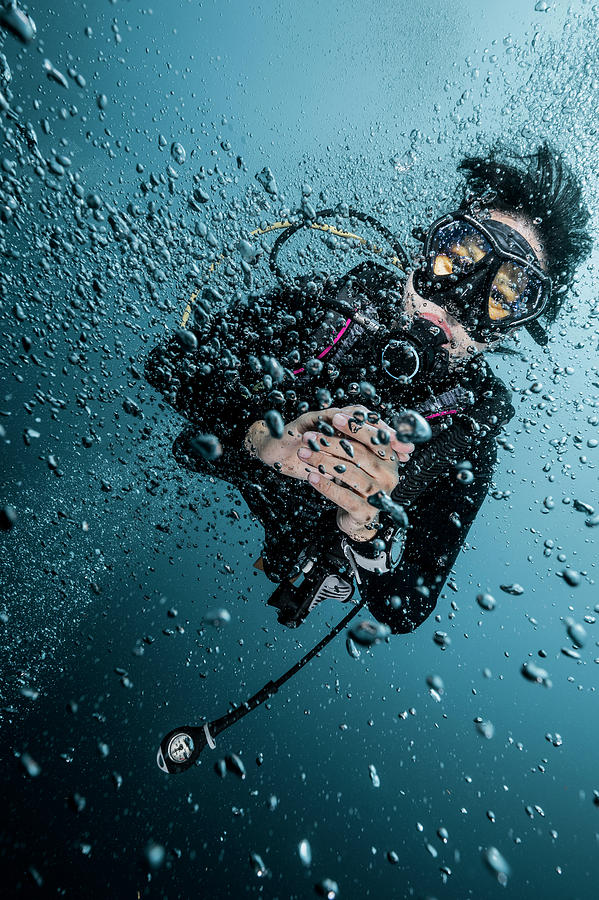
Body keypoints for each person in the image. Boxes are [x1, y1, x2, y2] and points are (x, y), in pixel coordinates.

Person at [145, 142, 591, 631]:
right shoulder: (327, 304)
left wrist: (364, 533)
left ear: (507, 329)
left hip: (311, 538)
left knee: (299, 553)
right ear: (429, 247)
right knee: (199, 447)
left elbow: (404, 609)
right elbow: (170, 362)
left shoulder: (468, 435)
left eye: (502, 296)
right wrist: (255, 431)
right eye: (459, 257)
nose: (457, 297)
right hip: (241, 459)